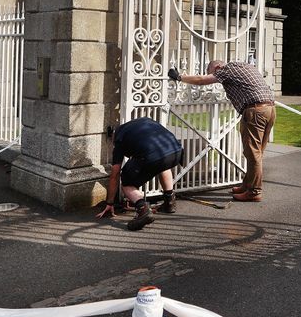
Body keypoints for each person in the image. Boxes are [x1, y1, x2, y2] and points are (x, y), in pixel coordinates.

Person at [169, 59, 274, 202]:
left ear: (217, 67)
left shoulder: (226, 70)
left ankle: (254, 192)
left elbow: (201, 80)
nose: (217, 80)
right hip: (270, 109)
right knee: (257, 152)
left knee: (253, 153)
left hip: (255, 111)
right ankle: (247, 185)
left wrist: (179, 77)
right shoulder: (243, 66)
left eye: (213, 73)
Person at [95, 116, 184, 230]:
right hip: (176, 150)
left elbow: (115, 174)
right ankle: (169, 203)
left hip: (153, 156)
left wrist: (110, 203)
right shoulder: (144, 122)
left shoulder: (119, 138)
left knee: (126, 182)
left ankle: (142, 209)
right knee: (162, 164)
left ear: (113, 135)